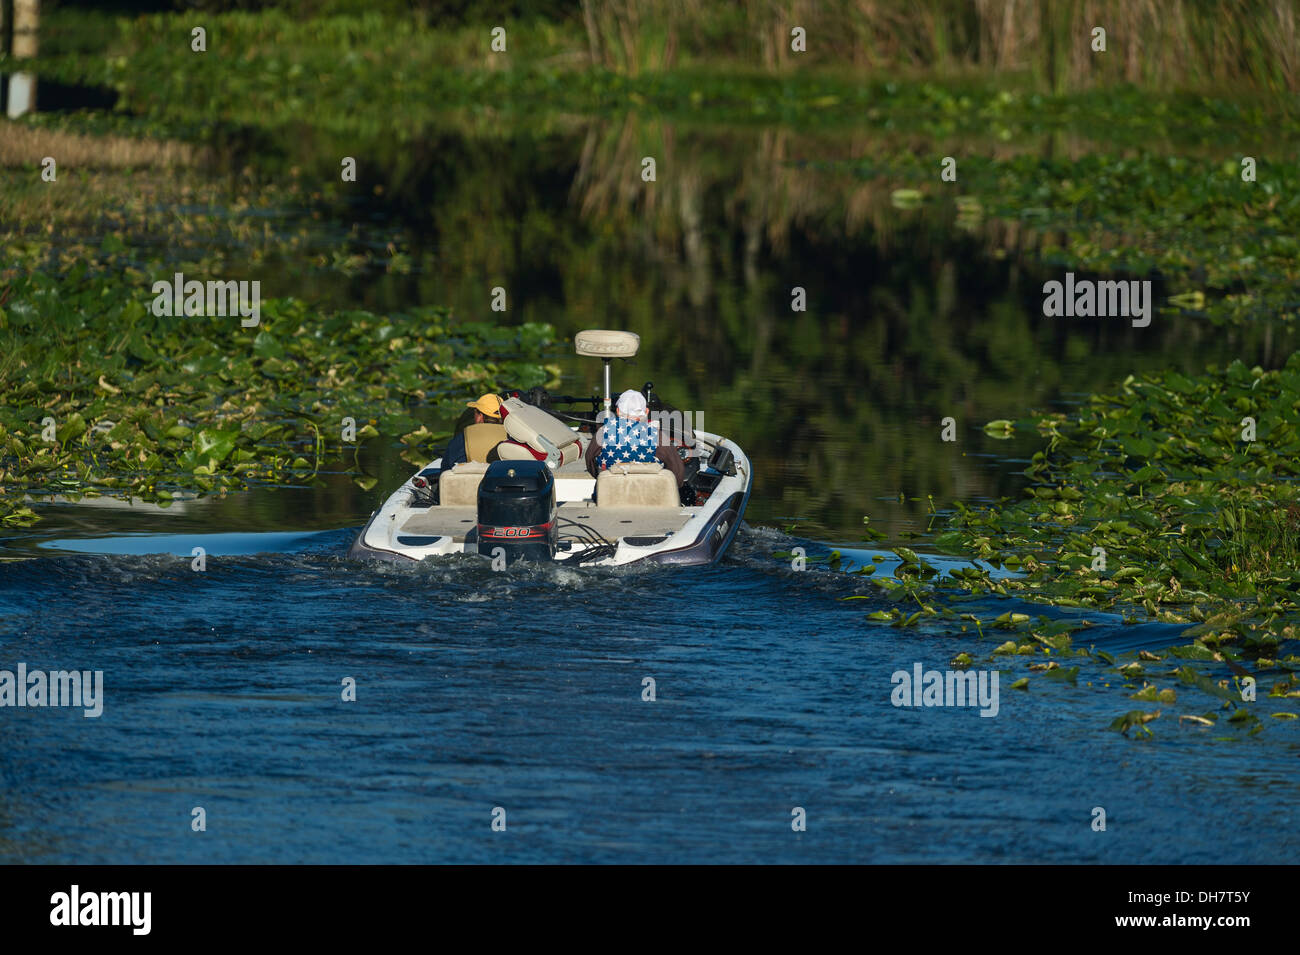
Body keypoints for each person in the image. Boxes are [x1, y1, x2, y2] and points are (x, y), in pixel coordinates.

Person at [585, 388, 685, 485]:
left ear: (618, 412)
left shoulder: (603, 432)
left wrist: (601, 477)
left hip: (610, 497)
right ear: (646, 412)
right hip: (648, 498)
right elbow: (677, 472)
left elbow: (589, 460)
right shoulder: (657, 436)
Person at [442, 393, 507, 467]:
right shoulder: (513, 437)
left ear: (480, 416)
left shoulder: (463, 438)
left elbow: (446, 467)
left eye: (475, 412)